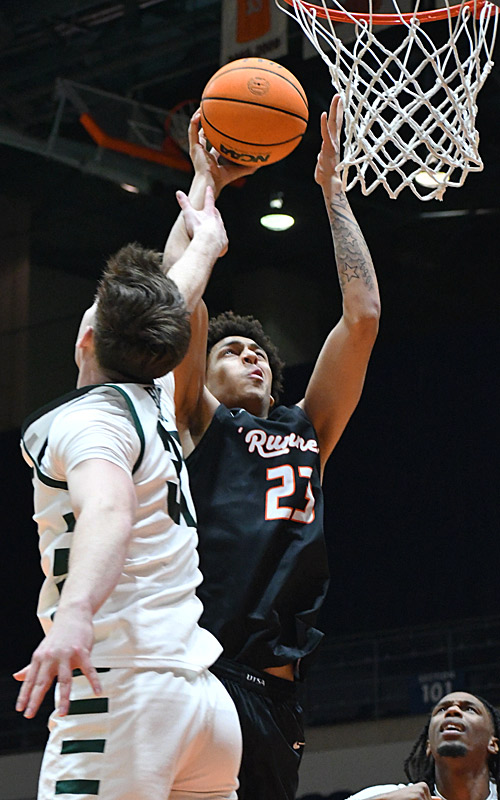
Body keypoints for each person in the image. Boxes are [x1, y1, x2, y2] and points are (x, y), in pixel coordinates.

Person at [166, 94, 381, 800]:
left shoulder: (305, 431)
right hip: (204, 674)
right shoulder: (200, 421)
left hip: (279, 693)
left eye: (259, 351)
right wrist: (209, 183)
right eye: (231, 350)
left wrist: (334, 191)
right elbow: (178, 301)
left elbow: (364, 317)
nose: (250, 357)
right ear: (208, 372)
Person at [14, 187, 243, 800]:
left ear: (87, 340)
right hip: (202, 703)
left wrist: (76, 616)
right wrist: (207, 224)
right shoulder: (158, 395)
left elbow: (108, 509)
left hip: (122, 690)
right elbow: (176, 294)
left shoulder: (87, 424)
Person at [346, 691, 500, 800]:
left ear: (493, 744)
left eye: (469, 709)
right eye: (442, 709)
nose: (452, 711)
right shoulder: (391, 795)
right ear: (429, 746)